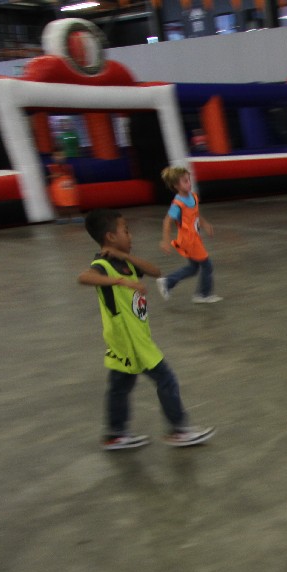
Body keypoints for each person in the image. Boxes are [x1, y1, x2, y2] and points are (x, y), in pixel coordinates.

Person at [78, 208, 215, 450]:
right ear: (110, 236)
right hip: (130, 340)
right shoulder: (103, 264)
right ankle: (179, 430)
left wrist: (126, 257)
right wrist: (120, 281)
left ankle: (114, 434)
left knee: (120, 385)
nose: (130, 235)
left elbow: (155, 271)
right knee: (166, 379)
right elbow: (84, 277)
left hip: (132, 337)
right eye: (126, 231)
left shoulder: (125, 263)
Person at [157, 165, 222, 303]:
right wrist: (165, 241)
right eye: (185, 181)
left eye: (189, 180)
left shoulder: (193, 197)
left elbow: (196, 214)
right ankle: (203, 295)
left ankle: (167, 282)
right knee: (207, 265)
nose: (189, 183)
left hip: (194, 238)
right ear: (176, 185)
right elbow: (167, 221)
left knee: (193, 268)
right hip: (189, 240)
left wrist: (205, 224)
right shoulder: (178, 204)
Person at [48, 149, 81, 223]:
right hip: (58, 188)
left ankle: (76, 216)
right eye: (57, 155)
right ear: (53, 157)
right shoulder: (51, 167)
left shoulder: (68, 166)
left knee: (72, 203)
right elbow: (49, 177)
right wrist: (53, 176)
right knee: (60, 204)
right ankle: (62, 217)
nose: (59, 157)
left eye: (61, 155)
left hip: (69, 187)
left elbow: (72, 176)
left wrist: (74, 184)